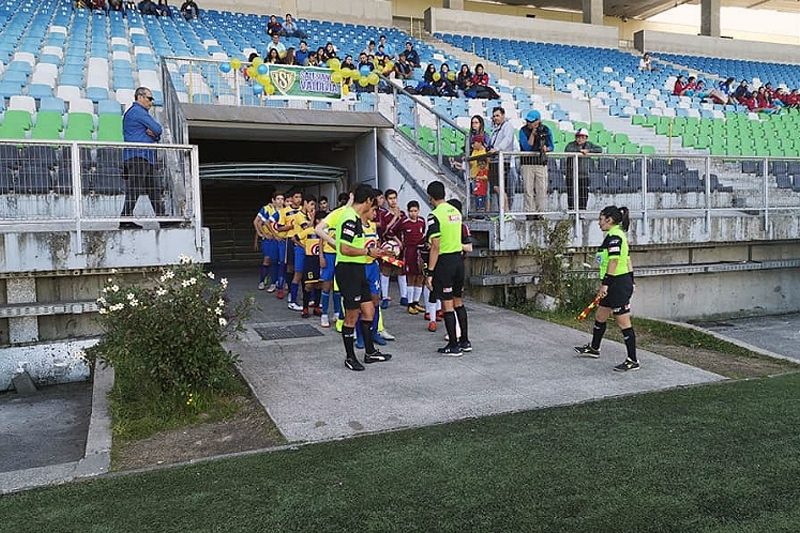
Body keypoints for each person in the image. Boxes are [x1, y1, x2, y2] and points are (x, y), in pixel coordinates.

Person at [574, 206, 639, 372]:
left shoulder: (615, 237)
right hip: (614, 282)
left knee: (623, 322)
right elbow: (628, 259)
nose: (598, 223)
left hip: (617, 283)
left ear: (609, 220)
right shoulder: (612, 235)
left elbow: (615, 262)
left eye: (600, 219)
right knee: (601, 315)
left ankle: (633, 360)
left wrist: (606, 284)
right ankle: (594, 348)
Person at [335, 184, 392, 371]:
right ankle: (350, 357)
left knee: (369, 311)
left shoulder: (357, 218)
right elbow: (344, 248)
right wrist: (368, 251)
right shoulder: (349, 218)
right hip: (348, 270)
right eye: (374, 204)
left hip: (359, 269)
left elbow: (359, 247)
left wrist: (374, 252)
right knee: (352, 316)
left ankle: (370, 352)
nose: (375, 208)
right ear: (367, 201)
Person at [425, 181, 470, 356]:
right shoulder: (455, 212)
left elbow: (435, 246)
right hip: (458, 260)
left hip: (445, 262)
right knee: (459, 301)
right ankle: (464, 341)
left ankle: (453, 345)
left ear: (430, 196)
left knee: (447, 304)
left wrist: (430, 272)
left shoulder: (434, 215)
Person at [122, 87, 164, 228]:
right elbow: (158, 129)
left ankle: (163, 219)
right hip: (138, 155)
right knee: (135, 187)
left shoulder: (138, 113)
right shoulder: (138, 112)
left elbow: (156, 133)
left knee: (154, 189)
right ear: (140, 97)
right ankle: (125, 219)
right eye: (149, 98)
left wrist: (155, 135)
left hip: (145, 156)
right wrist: (155, 134)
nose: (151, 102)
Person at [315, 192, 350, 329]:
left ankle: (336, 312)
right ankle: (324, 314)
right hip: (329, 256)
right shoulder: (330, 221)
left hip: (340, 256)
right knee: (326, 285)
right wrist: (321, 257)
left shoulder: (345, 222)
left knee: (338, 286)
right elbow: (321, 239)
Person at [518, 110, 553, 217]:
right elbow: (527, 147)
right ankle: (529, 213)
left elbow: (552, 146)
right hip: (527, 163)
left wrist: (546, 149)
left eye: (532, 121)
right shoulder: (522, 131)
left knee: (541, 189)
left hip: (541, 163)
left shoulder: (546, 130)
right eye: (528, 121)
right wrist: (532, 134)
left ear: (538, 121)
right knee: (528, 189)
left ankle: (540, 213)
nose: (529, 123)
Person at [378, 189, 405, 309]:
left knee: (401, 270)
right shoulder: (384, 214)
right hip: (388, 246)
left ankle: (404, 296)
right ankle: (384, 297)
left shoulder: (403, 213)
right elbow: (384, 230)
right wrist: (395, 218)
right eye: (390, 198)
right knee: (386, 271)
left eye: (394, 198)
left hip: (401, 247)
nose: (393, 201)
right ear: (386, 200)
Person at [398, 201, 426, 315]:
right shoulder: (404, 222)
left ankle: (416, 302)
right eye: (411, 211)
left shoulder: (422, 221)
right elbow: (392, 231)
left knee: (420, 276)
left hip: (420, 251)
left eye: (415, 211)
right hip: (409, 251)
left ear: (418, 211)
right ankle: (409, 303)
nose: (413, 213)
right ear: (408, 211)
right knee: (411, 276)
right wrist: (398, 242)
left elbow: (423, 233)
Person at [564, 128, 602, 211]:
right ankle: (572, 211)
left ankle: (582, 210)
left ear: (586, 138)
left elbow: (599, 149)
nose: (580, 139)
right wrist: (580, 151)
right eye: (578, 137)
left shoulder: (589, 144)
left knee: (584, 194)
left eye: (582, 137)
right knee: (571, 194)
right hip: (571, 175)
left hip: (584, 175)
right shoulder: (571, 144)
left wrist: (588, 151)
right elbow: (567, 150)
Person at [488, 106, 516, 212]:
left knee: (499, 187)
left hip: (502, 160)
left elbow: (507, 140)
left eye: (497, 116)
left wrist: (497, 149)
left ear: (503, 115)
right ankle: (503, 211)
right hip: (495, 161)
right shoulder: (495, 129)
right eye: (494, 116)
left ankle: (506, 210)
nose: (495, 118)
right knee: (496, 186)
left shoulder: (507, 126)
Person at [254, 191, 281, 291]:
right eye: (278, 199)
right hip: (269, 239)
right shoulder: (266, 208)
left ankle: (275, 282)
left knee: (277, 261)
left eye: (281, 199)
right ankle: (262, 280)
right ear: (273, 200)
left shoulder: (284, 210)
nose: (280, 201)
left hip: (279, 238)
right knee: (267, 259)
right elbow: (257, 222)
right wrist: (262, 234)